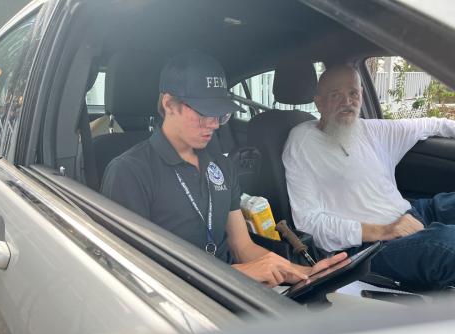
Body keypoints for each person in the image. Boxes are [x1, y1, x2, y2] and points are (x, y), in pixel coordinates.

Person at [102, 50, 347, 287]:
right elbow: (136, 271)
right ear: (169, 104)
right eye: (203, 112)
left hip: (233, 292)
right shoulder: (130, 172)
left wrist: (305, 273)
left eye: (219, 114)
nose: (213, 124)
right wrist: (240, 274)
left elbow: (242, 246)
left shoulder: (220, 164)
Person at [283, 63, 455, 289]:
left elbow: (431, 124)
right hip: (370, 245)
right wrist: (384, 230)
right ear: (319, 102)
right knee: (450, 245)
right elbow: (309, 223)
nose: (347, 102)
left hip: (410, 215)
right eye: (336, 95)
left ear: (362, 95)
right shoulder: (301, 143)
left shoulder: (372, 130)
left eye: (353, 93)